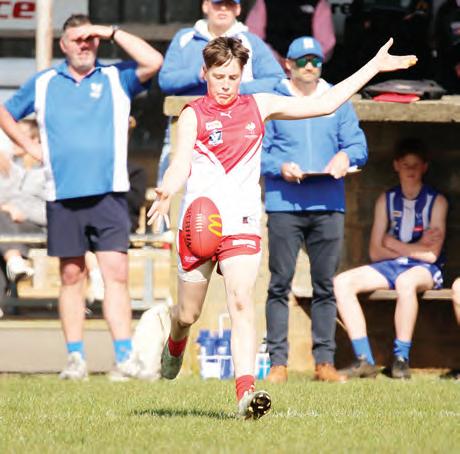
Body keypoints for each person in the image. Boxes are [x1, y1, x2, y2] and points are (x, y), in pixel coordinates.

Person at [147, 35, 416, 418]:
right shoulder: (193, 114)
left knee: (242, 301)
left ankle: (245, 395)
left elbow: (325, 103)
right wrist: (166, 190)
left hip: (241, 222)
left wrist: (374, 66)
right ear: (204, 73)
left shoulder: (259, 105)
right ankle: (175, 338)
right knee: (188, 314)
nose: (225, 85)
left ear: (243, 76)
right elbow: (180, 163)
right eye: (219, 76)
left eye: (233, 77)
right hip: (200, 223)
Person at [0, 14, 163, 380]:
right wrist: (28, 145)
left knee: (116, 273)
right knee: (72, 275)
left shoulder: (115, 77)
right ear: (63, 45)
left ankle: (125, 358)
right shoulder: (44, 83)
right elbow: (5, 112)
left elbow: (154, 61)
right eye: (77, 39)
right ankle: (76, 359)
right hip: (63, 194)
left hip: (109, 193)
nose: (84, 45)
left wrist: (110, 31)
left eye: (90, 39)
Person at [260, 36, 368, 384]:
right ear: (288, 64)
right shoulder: (272, 99)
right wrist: (280, 167)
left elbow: (358, 144)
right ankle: (278, 363)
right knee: (279, 284)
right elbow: (257, 149)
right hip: (284, 203)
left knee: (325, 285)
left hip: (328, 203)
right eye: (303, 61)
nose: (310, 67)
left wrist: (345, 156)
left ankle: (324, 363)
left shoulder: (336, 99)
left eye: (316, 61)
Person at [334, 139, 448, 380]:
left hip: (424, 269)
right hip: (391, 265)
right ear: (396, 166)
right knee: (341, 282)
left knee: (406, 282)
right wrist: (415, 246)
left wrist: (393, 244)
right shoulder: (386, 200)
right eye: (405, 164)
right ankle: (365, 360)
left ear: (425, 167)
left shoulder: (436, 201)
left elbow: (430, 255)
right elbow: (375, 252)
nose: (410, 170)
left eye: (415, 165)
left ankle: (400, 359)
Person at [156, 0, 285, 185]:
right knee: (174, 188)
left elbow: (277, 79)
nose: (223, 9)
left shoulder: (250, 41)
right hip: (187, 128)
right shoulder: (185, 38)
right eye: (218, 4)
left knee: (230, 190)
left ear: (238, 9)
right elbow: (165, 80)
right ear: (205, 6)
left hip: (234, 132)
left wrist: (235, 88)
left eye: (229, 4)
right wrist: (198, 75)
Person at [245, 0, 336, 65]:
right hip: (269, 68)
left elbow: (326, 44)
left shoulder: (319, 3)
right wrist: (274, 58)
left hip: (306, 69)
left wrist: (300, 61)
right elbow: (252, 38)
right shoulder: (264, 2)